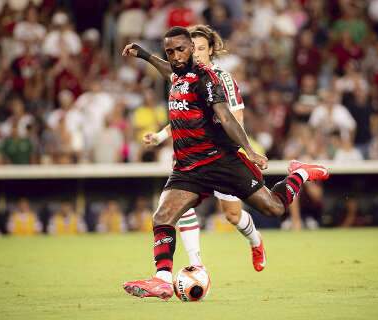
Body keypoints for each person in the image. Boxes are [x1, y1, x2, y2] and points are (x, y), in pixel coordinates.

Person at [121, 26, 329, 300]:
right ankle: (161, 280)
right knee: (162, 216)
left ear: (193, 49)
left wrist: (250, 151)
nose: (176, 56)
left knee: (274, 208)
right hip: (188, 168)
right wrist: (145, 55)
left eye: (182, 49)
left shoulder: (208, 79)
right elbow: (168, 71)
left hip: (221, 161)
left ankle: (300, 173)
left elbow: (228, 118)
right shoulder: (177, 76)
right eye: (170, 52)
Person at [131, 25, 266, 273]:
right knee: (180, 206)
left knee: (232, 216)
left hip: (221, 155)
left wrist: (242, 149)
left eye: (203, 48)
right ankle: (196, 264)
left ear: (210, 50)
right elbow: (185, 115)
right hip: (191, 158)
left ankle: (255, 242)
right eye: (195, 49)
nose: (198, 54)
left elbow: (234, 119)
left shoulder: (222, 80)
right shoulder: (183, 76)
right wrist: (161, 135)